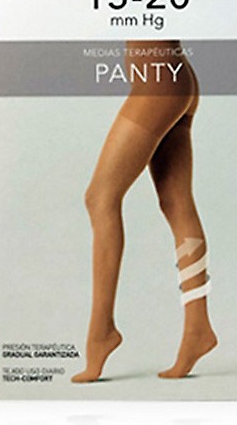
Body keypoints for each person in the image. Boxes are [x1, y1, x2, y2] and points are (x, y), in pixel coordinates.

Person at [71, 40, 217, 383]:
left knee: (100, 198)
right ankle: (198, 328)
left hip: (159, 84)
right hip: (173, 77)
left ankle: (101, 331)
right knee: (176, 201)